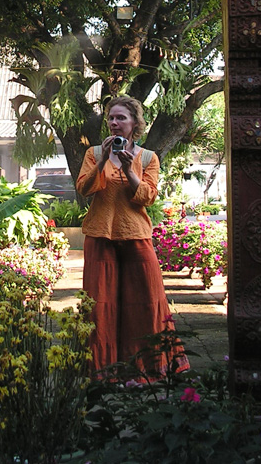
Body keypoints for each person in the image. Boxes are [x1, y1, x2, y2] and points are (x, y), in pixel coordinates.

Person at [77, 95, 189, 379]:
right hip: (100, 235)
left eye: (121, 118)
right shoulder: (94, 154)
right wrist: (103, 162)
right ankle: (103, 370)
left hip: (136, 235)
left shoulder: (148, 157)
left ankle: (148, 366)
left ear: (135, 123)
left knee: (147, 299)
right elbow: (84, 189)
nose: (114, 123)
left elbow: (147, 197)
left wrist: (129, 170)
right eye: (111, 118)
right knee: (99, 304)